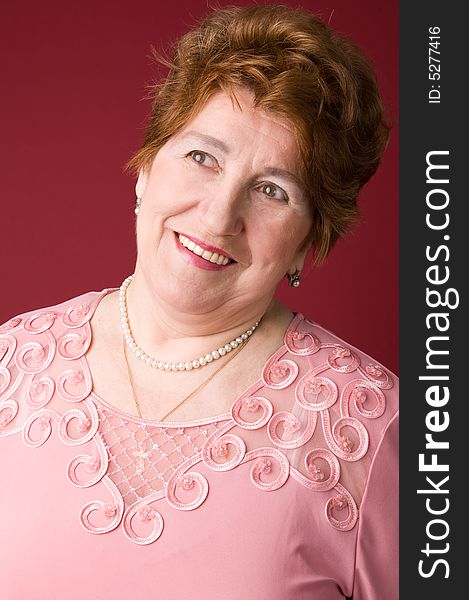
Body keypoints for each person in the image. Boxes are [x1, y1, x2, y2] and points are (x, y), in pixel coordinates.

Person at [0, 4, 398, 599]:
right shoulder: (10, 364)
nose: (218, 215)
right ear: (144, 171)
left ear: (308, 243)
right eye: (202, 157)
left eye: (272, 190)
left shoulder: (379, 431)